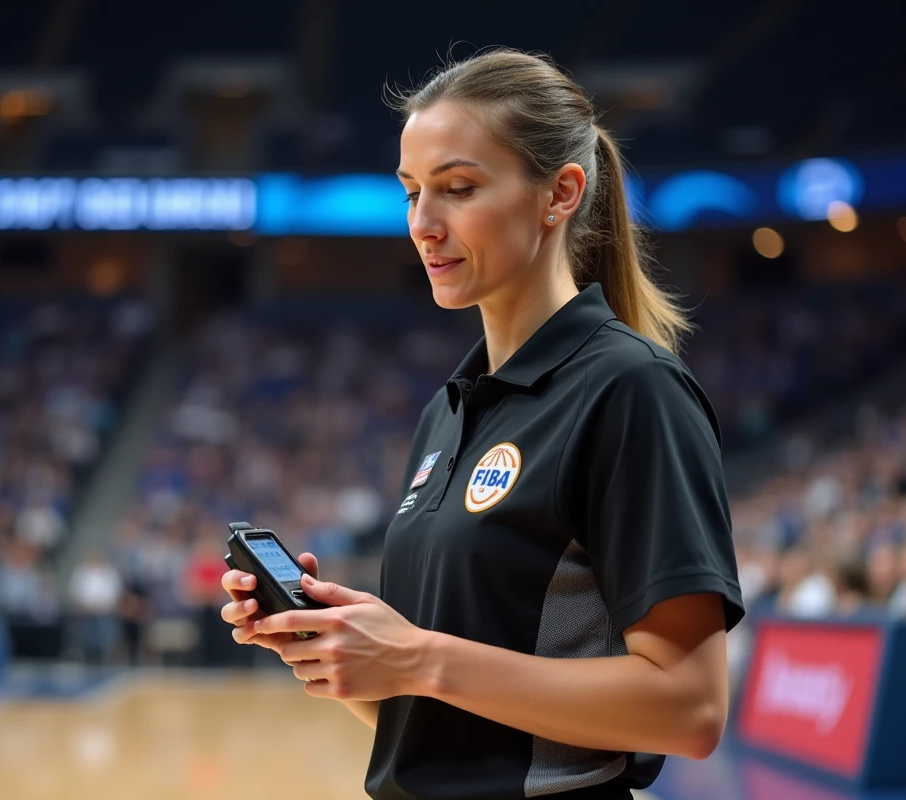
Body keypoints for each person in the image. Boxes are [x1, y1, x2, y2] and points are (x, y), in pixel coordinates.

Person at [221, 48, 744, 800]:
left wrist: (419, 657)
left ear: (560, 193)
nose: (422, 225)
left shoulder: (633, 389)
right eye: (411, 193)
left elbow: (690, 709)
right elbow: (452, 732)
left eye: (458, 189)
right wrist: (343, 653)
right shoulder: (447, 411)